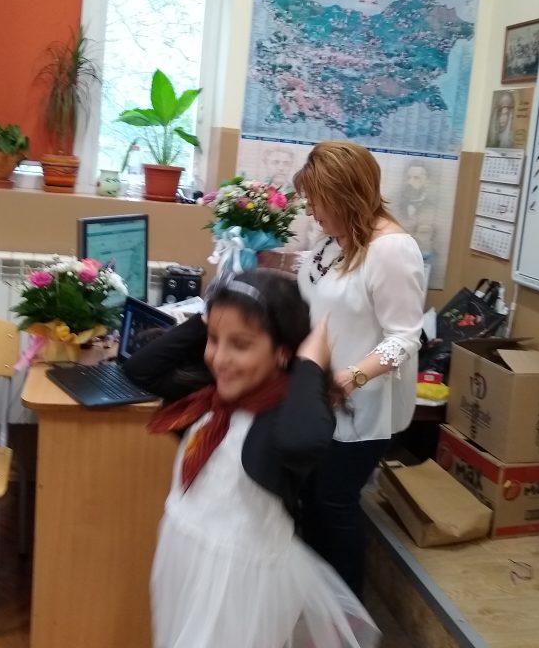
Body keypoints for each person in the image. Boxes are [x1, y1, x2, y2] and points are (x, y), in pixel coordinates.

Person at [124, 270, 380, 648]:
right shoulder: (212, 395)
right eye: (214, 341)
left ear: (282, 351)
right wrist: (215, 317)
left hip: (240, 585)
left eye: (241, 345)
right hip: (185, 553)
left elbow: (300, 442)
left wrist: (310, 362)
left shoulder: (284, 413)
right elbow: (139, 369)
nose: (220, 358)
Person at [293, 141, 427, 597]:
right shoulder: (338, 239)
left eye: (316, 200)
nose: (310, 211)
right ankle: (317, 601)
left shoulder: (392, 250)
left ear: (343, 195)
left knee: (334, 503)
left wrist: (351, 377)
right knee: (311, 498)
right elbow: (322, 294)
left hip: (361, 405)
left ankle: (345, 612)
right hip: (321, 397)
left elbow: (405, 337)